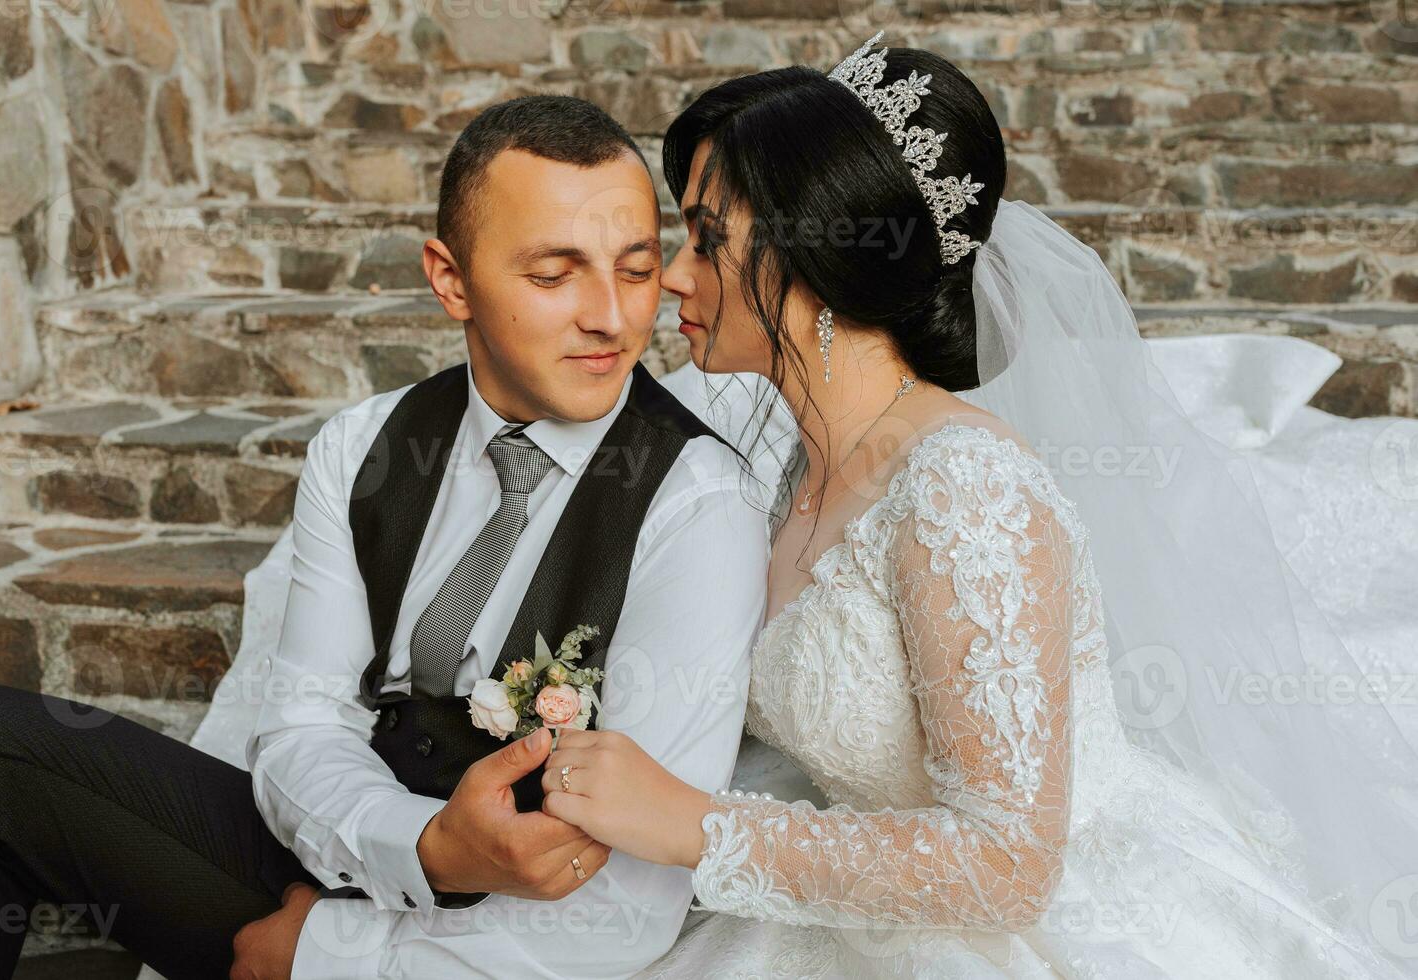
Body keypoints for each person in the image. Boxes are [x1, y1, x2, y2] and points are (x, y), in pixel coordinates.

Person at [535, 34, 1418, 978]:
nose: (672, 274)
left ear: (818, 255)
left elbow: (1008, 866)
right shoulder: (788, 461)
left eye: (708, 239)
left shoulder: (960, 488)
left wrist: (692, 824)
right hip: (842, 885)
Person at [0, 95, 771, 980]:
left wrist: (326, 954)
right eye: (553, 275)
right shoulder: (363, 447)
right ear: (449, 278)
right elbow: (303, 723)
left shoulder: (697, 503)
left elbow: (627, 912)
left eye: (637, 269)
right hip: (343, 855)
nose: (612, 317)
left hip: (509, 939)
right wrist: (423, 846)